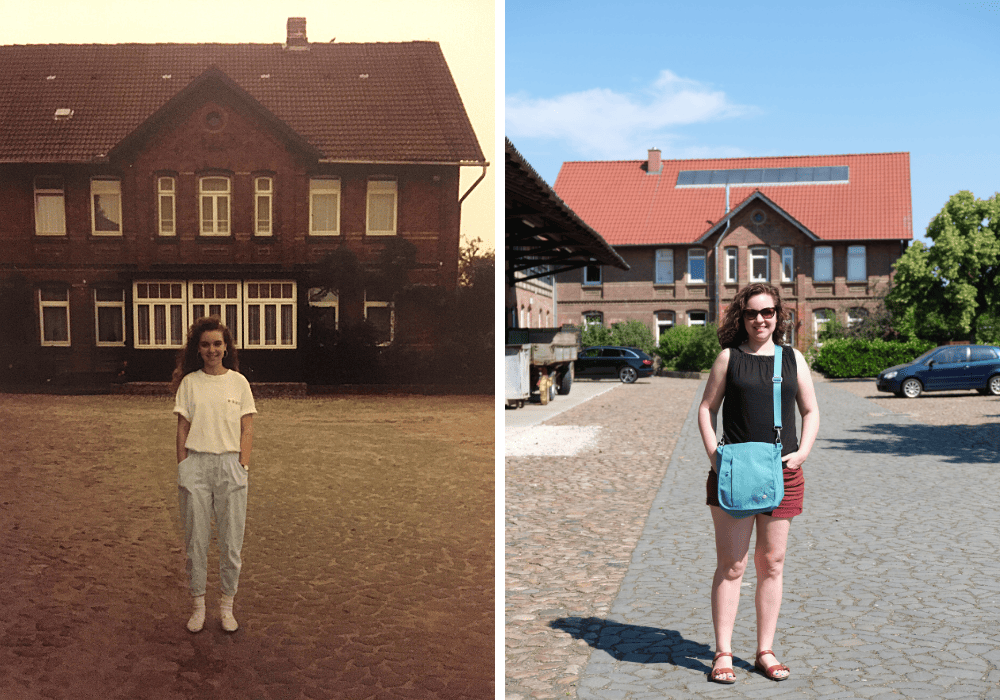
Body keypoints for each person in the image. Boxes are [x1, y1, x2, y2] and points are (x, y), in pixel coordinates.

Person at [697, 283, 819, 684]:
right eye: (752, 313)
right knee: (732, 565)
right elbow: (706, 409)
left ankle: (765, 649)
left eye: (768, 312)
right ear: (742, 317)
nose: (760, 319)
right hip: (733, 470)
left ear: (778, 316)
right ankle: (723, 653)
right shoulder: (728, 358)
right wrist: (715, 456)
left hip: (782, 470)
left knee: (772, 564)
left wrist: (802, 453)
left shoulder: (792, 358)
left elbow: (810, 410)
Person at [170, 317, 256, 633]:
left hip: (231, 467)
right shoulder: (190, 383)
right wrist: (183, 466)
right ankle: (198, 607)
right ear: (198, 348)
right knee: (196, 541)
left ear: (226, 346)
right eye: (205, 344)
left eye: (217, 343)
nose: (212, 350)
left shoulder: (239, 383)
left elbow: (247, 427)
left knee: (231, 542)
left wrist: (242, 465)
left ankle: (226, 607)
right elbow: (182, 428)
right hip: (196, 467)